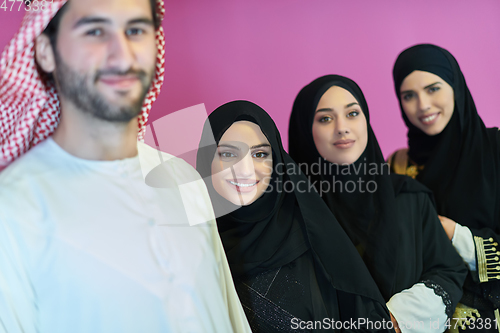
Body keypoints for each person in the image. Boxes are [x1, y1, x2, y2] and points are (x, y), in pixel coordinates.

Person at [0, 1, 251, 332]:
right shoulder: (15, 209)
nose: (123, 55)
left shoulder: (183, 179)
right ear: (45, 52)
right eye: (95, 31)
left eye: (135, 30)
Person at [196, 100, 395, 332]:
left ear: (278, 163)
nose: (245, 168)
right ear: (206, 159)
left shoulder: (312, 241)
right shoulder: (190, 246)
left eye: (260, 154)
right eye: (228, 154)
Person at [289, 75, 467, 333]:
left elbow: (448, 270)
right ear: (305, 130)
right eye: (325, 118)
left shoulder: (408, 197)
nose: (342, 127)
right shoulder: (291, 213)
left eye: (352, 113)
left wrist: (399, 318)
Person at [389, 43, 500, 331]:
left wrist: (456, 236)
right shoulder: (396, 167)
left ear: (455, 85)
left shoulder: (496, 151)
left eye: (433, 88)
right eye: (408, 95)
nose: (423, 105)